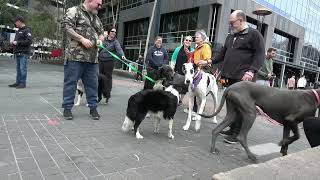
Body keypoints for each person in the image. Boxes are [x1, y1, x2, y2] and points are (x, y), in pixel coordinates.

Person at [211, 10, 265, 144]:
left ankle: (237, 135)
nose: (230, 25)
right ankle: (232, 129)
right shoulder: (230, 36)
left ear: (240, 20)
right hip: (228, 76)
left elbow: (260, 55)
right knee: (231, 105)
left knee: (241, 106)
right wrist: (209, 61)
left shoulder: (254, 34)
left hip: (243, 78)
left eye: (232, 22)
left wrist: (251, 71)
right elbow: (222, 54)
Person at [61, 0, 104, 120]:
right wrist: (81, 39)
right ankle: (67, 109)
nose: (100, 7)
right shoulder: (74, 11)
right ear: (89, 1)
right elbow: (66, 27)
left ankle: (93, 108)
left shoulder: (95, 17)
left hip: (92, 59)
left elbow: (101, 32)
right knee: (70, 83)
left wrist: (100, 39)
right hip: (75, 56)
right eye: (98, 4)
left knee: (93, 85)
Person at [98, 27, 126, 103]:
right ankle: (98, 95)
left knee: (107, 78)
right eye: (112, 31)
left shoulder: (115, 42)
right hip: (100, 61)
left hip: (109, 62)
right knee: (99, 78)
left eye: (115, 32)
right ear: (109, 32)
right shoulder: (104, 39)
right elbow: (98, 46)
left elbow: (119, 49)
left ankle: (107, 94)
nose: (114, 33)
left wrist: (122, 55)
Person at [8, 16, 32, 89]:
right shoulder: (18, 30)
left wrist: (17, 42)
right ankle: (18, 82)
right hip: (18, 52)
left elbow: (29, 41)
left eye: (15, 22)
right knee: (18, 69)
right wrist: (13, 43)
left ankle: (22, 83)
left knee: (22, 68)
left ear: (19, 21)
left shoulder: (27, 30)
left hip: (23, 53)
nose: (15, 24)